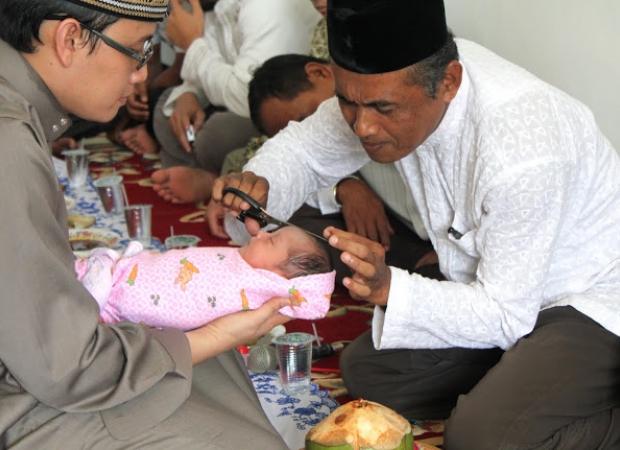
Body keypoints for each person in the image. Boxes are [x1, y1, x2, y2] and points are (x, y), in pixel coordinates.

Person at [211, 0, 620, 448]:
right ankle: (520, 378)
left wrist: (389, 287)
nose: (362, 126)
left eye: (383, 109)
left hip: (584, 300)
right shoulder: (377, 87)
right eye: (347, 103)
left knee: (481, 439)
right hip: (495, 295)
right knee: (371, 374)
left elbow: (506, 311)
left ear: (448, 84)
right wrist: (260, 185)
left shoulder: (522, 146)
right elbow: (303, 152)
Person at [0, 0, 293, 448]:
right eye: (138, 50)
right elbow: (69, 367)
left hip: (37, 362)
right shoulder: (9, 144)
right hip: (21, 399)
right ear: (70, 38)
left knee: (186, 334)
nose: (141, 73)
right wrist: (213, 336)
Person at [208, 53, 440, 285]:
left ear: (320, 73)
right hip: (389, 224)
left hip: (430, 236)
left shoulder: (412, 95)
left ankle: (421, 268)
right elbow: (297, 160)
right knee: (293, 226)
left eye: (308, 117)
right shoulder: (333, 128)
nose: (363, 127)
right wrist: (344, 188)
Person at [149, 0, 321, 204]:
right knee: (167, 108)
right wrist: (190, 94)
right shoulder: (214, 7)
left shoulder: (265, 6)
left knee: (218, 131)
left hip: (282, 115)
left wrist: (192, 44)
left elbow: (248, 95)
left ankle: (212, 181)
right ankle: (209, 176)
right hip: (237, 103)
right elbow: (212, 64)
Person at [77, 227, 335, 329]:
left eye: (271, 240)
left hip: (117, 293)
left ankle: (92, 295)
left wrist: (299, 295)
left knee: (81, 287)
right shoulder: (241, 261)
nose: (261, 233)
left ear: (277, 277)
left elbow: (308, 297)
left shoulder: (254, 283)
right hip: (125, 274)